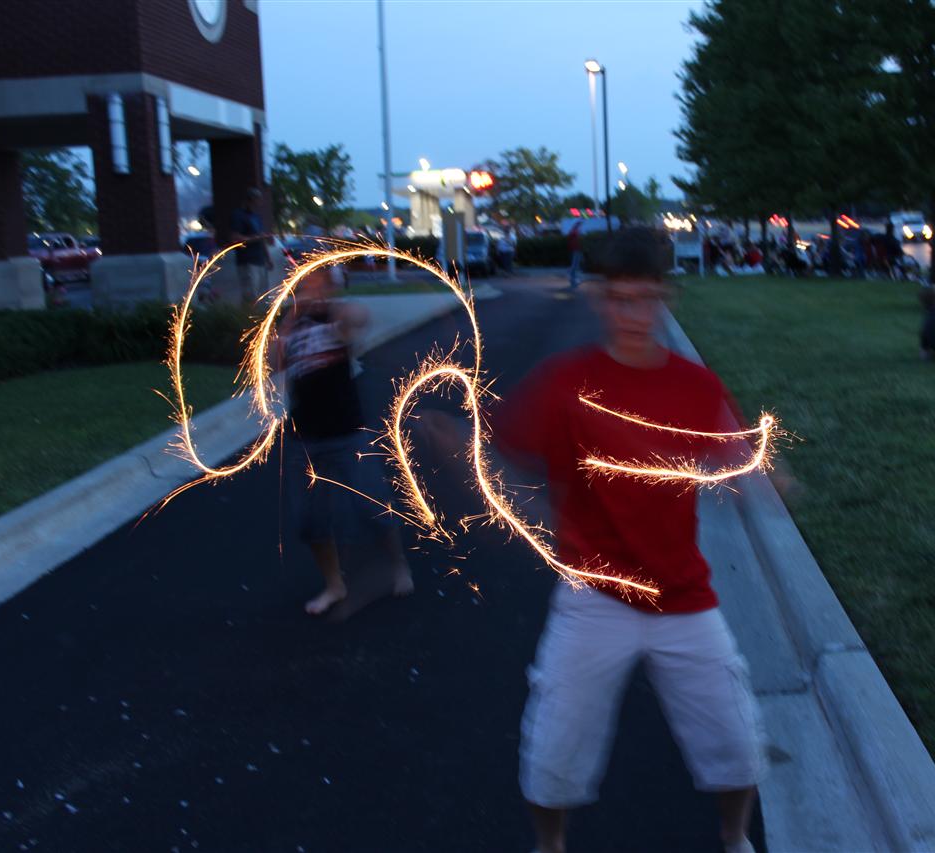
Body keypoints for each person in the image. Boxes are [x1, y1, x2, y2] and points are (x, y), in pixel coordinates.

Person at [429, 228, 766, 853]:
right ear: (597, 299)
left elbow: (735, 454)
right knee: (554, 745)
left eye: (646, 299)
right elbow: (500, 453)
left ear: (666, 297)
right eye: (619, 299)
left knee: (735, 740)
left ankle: (734, 838)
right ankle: (550, 844)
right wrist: (459, 447)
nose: (633, 315)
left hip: (682, 596)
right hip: (594, 598)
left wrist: (761, 472)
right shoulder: (564, 381)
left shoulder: (696, 386)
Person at [277, 268, 413, 615]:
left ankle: (398, 565)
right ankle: (334, 585)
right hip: (305, 438)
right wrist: (290, 320)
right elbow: (273, 363)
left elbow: (360, 317)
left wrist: (330, 304)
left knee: (374, 507)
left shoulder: (338, 317)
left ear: (330, 287)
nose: (310, 289)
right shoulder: (290, 324)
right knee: (311, 521)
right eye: (306, 284)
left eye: (318, 283)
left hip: (346, 433)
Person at [228, 187, 273, 304]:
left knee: (261, 294)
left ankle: (258, 314)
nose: (259, 203)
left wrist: (268, 258)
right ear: (251, 200)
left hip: (260, 260)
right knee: (250, 294)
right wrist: (256, 238)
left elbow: (261, 239)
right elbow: (235, 238)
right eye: (257, 200)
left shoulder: (256, 217)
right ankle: (248, 313)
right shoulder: (238, 215)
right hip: (247, 261)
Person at [566, 221, 584, 290]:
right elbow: (576, 240)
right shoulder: (574, 232)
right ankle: (572, 276)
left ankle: (573, 276)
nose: (580, 226)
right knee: (575, 263)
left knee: (576, 263)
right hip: (576, 249)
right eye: (579, 225)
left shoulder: (574, 231)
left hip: (576, 248)